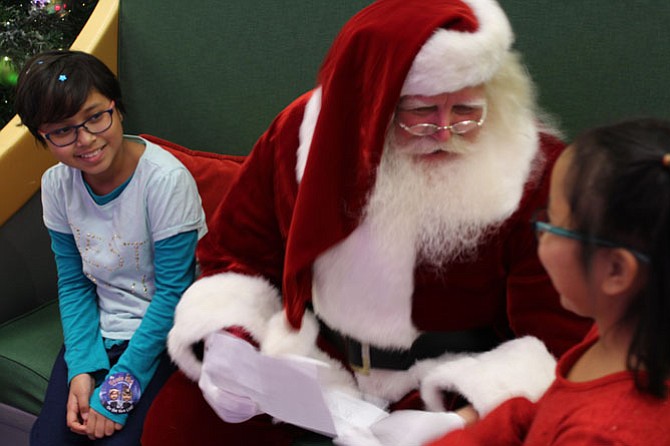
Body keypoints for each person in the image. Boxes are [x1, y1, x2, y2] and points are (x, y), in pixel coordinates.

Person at [142, 0, 591, 444]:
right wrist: (231, 345)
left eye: (466, 110)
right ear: (370, 107)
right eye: (420, 112)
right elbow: (235, 256)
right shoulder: (300, 135)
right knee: (178, 427)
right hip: (311, 359)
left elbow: (564, 335)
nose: (444, 132)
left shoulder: (533, 166)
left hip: (448, 379)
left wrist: (470, 413)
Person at [427, 117, 670, 445]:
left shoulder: (600, 435)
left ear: (616, 271)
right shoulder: (624, 330)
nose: (539, 234)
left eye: (552, 223)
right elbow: (548, 414)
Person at [14, 50, 207, 445]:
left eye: (95, 117)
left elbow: (175, 293)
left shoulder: (165, 180)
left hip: (168, 337)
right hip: (100, 334)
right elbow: (73, 283)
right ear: (43, 137)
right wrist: (81, 369)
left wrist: (122, 387)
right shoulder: (56, 185)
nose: (85, 139)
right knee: (50, 438)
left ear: (116, 108)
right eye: (63, 131)